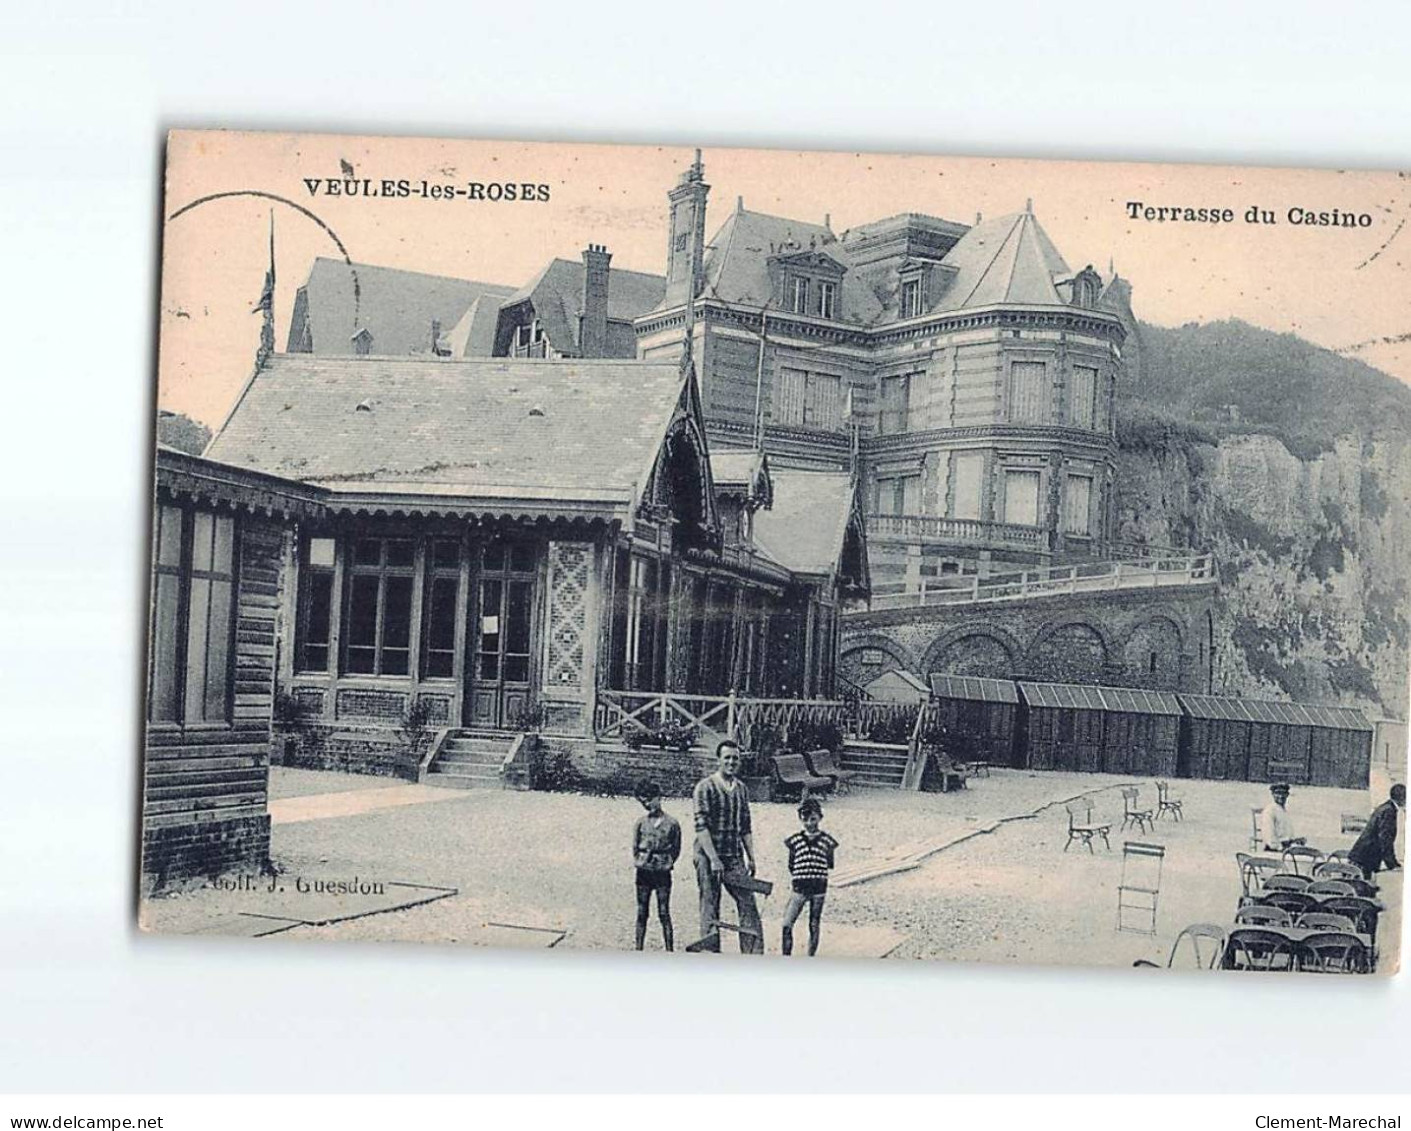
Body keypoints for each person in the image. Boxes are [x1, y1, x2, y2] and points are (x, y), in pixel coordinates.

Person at [692, 740, 763, 954]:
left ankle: (753, 955)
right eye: (727, 758)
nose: (732, 762)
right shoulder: (704, 787)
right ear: (719, 760)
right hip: (708, 855)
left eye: (735, 758)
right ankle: (710, 954)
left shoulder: (741, 789)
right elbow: (701, 827)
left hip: (733, 856)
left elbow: (745, 827)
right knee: (710, 903)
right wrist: (714, 859)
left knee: (748, 902)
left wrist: (751, 857)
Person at [781, 797, 839, 957]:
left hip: (818, 887)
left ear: (820, 818)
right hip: (799, 887)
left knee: (814, 923)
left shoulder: (827, 841)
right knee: (787, 924)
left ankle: (810, 956)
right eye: (805, 819)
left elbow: (829, 863)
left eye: (813, 819)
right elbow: (791, 865)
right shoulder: (794, 841)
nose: (809, 823)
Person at [630, 778, 681, 951]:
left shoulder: (672, 823)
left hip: (662, 872)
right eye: (643, 801)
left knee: (664, 912)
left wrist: (666, 861)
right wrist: (642, 860)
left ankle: (669, 949)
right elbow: (635, 848)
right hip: (643, 872)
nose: (647, 804)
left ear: (659, 797)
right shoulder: (641, 823)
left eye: (650, 799)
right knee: (642, 912)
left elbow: (676, 849)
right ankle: (638, 948)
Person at [1349, 783, 1405, 879]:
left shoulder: (1386, 807)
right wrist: (1392, 864)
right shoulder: (1389, 811)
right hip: (1365, 858)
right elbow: (1385, 839)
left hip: (1363, 856)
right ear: (1402, 799)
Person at [1259, 782, 1305, 852]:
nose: (1281, 796)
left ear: (1287, 795)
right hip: (1274, 850)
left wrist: (1296, 840)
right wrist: (1280, 848)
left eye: (1283, 793)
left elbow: (1287, 834)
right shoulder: (1269, 811)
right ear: (1273, 795)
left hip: (1287, 847)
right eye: (1278, 793)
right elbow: (1269, 836)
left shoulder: (1284, 811)